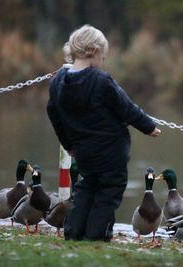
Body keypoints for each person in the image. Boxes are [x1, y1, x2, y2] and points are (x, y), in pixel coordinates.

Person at [46, 25, 161, 241]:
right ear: (94, 51)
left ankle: (73, 232)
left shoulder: (57, 82)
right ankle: (96, 235)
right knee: (108, 193)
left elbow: (53, 113)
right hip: (111, 152)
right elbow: (126, 107)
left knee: (85, 188)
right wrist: (148, 127)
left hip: (82, 151)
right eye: (104, 57)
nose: (103, 61)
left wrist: (68, 143)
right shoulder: (101, 81)